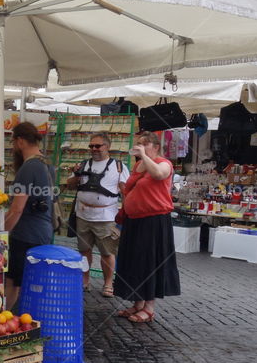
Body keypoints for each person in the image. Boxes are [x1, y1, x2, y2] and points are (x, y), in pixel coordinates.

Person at [115, 132, 180, 323]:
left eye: (145, 144)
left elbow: (158, 174)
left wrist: (143, 155)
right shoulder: (138, 165)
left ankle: (149, 308)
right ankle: (138, 302)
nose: (140, 146)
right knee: (136, 262)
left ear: (156, 146)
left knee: (150, 263)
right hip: (135, 220)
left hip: (154, 221)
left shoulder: (164, 163)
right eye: (139, 144)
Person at [66, 134, 130, 297]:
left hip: (107, 217)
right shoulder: (83, 164)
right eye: (91, 146)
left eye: (97, 146)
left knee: (107, 253)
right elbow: (70, 185)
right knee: (84, 250)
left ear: (107, 146)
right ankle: (84, 281)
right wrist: (76, 174)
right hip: (83, 215)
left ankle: (108, 284)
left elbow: (126, 192)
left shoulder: (118, 167)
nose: (93, 149)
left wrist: (126, 213)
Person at [4, 122, 55, 311]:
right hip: (43, 232)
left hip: (25, 234)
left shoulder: (28, 168)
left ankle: (5, 322)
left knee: (13, 282)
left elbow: (17, 209)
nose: (12, 146)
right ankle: (31, 319)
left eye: (13, 141)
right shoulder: (47, 163)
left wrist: (1, 234)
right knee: (32, 281)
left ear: (20, 141)